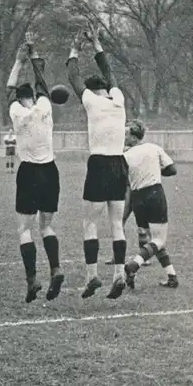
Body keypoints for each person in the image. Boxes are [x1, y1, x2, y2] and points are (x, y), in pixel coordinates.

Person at [66, 23, 128, 300]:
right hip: (119, 164)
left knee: (89, 223)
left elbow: (72, 76)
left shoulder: (90, 101)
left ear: (92, 91)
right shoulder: (119, 99)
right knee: (117, 224)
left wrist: (76, 48)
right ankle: (119, 274)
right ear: (108, 89)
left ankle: (92, 275)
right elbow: (110, 71)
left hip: (100, 164)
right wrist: (98, 44)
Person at [6, 34, 64, 303]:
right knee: (46, 227)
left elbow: (9, 89)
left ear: (19, 99)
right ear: (35, 97)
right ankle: (56, 268)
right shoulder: (44, 107)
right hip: (50, 171)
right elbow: (42, 82)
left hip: (28, 172)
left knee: (24, 230)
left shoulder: (17, 113)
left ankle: (32, 280)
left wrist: (18, 62)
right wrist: (33, 53)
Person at [123, 120, 179, 289]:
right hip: (154, 194)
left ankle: (172, 277)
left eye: (126, 134)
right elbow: (172, 169)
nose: (124, 137)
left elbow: (122, 179)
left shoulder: (125, 156)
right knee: (159, 240)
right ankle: (134, 264)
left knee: (154, 241)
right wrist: (155, 170)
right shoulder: (154, 148)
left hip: (137, 198)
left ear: (134, 136)